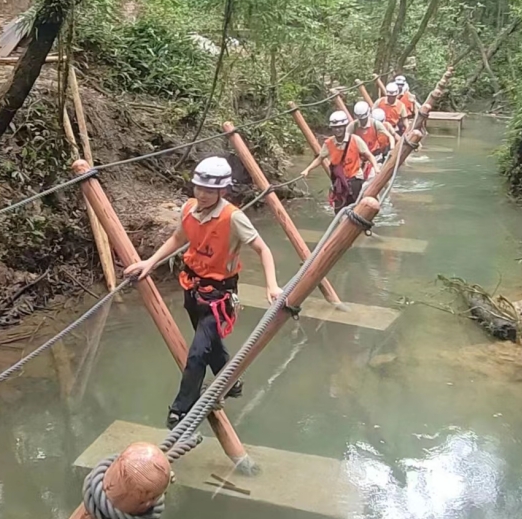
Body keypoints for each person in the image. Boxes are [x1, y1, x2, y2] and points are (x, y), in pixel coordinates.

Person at [123, 157, 281, 429]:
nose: (202, 193)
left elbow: (263, 249)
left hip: (219, 297)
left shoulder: (233, 217)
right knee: (210, 346)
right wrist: (149, 263)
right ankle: (232, 384)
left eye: (209, 190)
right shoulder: (188, 210)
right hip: (192, 289)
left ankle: (181, 411)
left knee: (197, 353)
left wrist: (272, 284)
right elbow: (177, 239)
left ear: (223, 191)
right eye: (198, 187)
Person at [300, 111, 377, 213]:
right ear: (332, 128)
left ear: (345, 126)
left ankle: (356, 225)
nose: (338, 130)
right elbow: (320, 158)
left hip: (354, 177)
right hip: (339, 181)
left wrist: (376, 167)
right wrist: (307, 170)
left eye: (340, 127)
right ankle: (341, 224)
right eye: (335, 127)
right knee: (338, 209)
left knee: (353, 205)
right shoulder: (329, 143)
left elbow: (368, 155)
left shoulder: (355, 140)